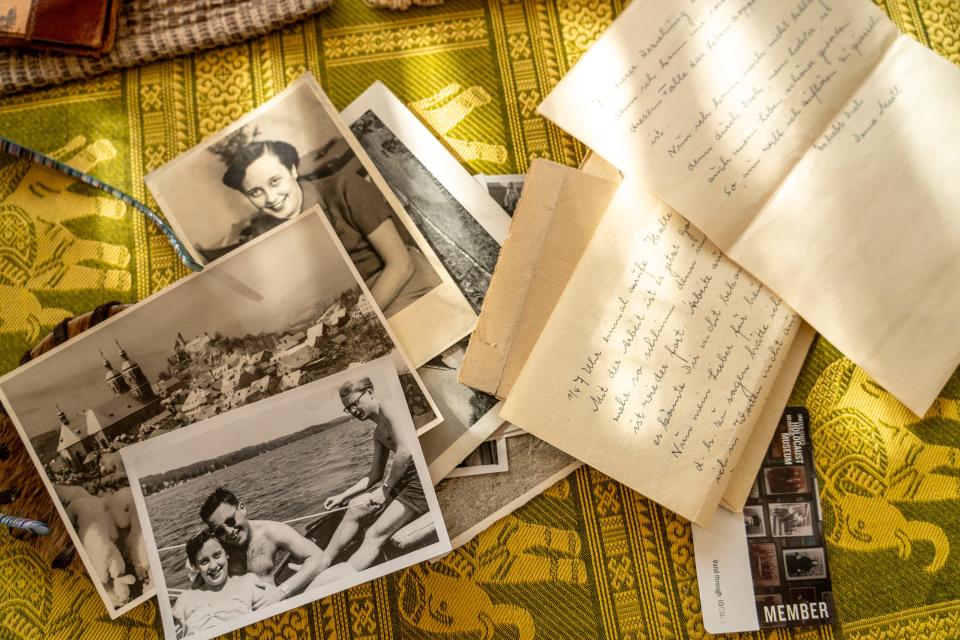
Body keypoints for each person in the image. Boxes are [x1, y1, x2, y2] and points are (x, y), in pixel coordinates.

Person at [208, 140, 440, 316]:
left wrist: (359, 317)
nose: (270, 198)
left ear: (292, 170)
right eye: (255, 192)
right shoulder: (266, 232)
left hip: (404, 286)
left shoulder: (345, 186)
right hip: (353, 304)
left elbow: (401, 264)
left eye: (275, 181)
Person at [317, 377, 428, 572]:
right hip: (404, 480)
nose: (353, 411)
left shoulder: (389, 405)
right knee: (353, 508)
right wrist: (342, 496)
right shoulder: (378, 434)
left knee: (372, 536)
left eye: (355, 403)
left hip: (420, 480)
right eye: (348, 408)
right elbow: (374, 474)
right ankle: (322, 561)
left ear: (369, 393)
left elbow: (405, 452)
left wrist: (384, 491)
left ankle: (344, 576)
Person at [200, 487, 332, 610]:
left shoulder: (271, 531)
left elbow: (320, 558)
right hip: (237, 613)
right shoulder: (214, 548)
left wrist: (281, 591)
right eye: (219, 531)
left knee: (341, 571)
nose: (229, 532)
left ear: (242, 508)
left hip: (273, 608)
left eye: (230, 521)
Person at [172, 530, 264, 639]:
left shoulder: (248, 582)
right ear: (196, 566)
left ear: (227, 553)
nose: (213, 566)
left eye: (217, 555)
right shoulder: (185, 599)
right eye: (204, 561)